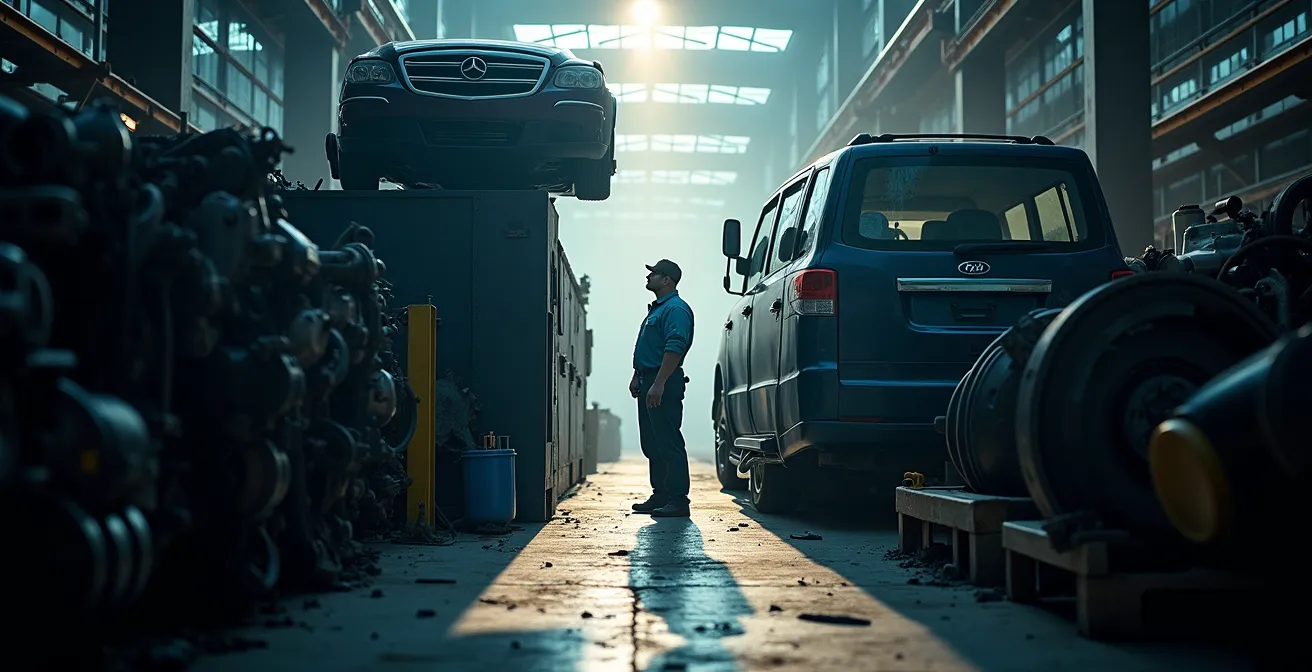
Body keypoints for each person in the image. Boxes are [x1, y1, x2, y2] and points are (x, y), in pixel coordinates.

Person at [629, 259, 695, 518]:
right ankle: (661, 494)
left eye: (653, 273)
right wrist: (638, 375)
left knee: (668, 441)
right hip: (649, 380)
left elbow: (675, 346)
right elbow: (650, 346)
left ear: (667, 279)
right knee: (652, 442)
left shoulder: (676, 309)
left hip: (663, 381)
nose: (648, 277)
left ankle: (679, 500)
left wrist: (659, 382)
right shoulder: (657, 309)